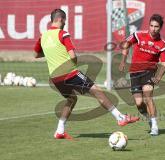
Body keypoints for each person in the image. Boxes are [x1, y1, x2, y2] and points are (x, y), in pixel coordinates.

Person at [34, 9, 139, 139]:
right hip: (69, 73)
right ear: (61, 20)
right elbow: (73, 56)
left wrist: (52, 51)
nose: (65, 23)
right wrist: (75, 61)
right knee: (98, 91)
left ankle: (59, 130)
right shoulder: (63, 34)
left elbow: (36, 54)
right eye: (65, 20)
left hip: (55, 78)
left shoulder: (42, 36)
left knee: (72, 99)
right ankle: (120, 117)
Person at [119, 14, 165, 136]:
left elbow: (164, 65)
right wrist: (123, 60)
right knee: (139, 104)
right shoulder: (138, 35)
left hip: (149, 72)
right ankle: (149, 119)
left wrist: (158, 77)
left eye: (156, 26)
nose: (153, 29)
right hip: (135, 72)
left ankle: (155, 125)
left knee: (148, 96)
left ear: (160, 27)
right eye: (151, 25)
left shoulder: (162, 44)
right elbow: (126, 43)